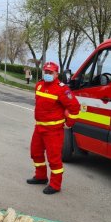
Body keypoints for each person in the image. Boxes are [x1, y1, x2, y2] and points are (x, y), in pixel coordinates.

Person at [26, 62, 80, 195]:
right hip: (39, 127)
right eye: (46, 72)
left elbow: (75, 106)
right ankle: (41, 177)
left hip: (54, 131)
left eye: (51, 72)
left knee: (54, 159)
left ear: (56, 74)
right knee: (35, 153)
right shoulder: (39, 85)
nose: (48, 74)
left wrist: (70, 123)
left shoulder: (62, 89)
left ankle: (55, 185)